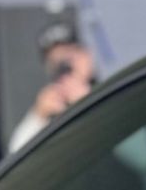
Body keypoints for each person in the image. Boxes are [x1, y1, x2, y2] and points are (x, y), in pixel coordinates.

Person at [7, 20, 97, 158]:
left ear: (86, 56)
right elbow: (16, 156)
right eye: (55, 63)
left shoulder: (115, 90)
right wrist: (38, 116)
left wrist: (88, 103)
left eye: (69, 57)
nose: (64, 69)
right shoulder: (52, 110)